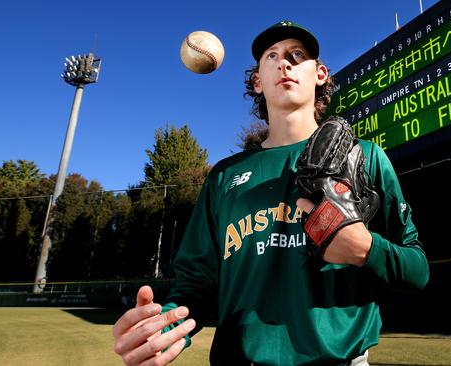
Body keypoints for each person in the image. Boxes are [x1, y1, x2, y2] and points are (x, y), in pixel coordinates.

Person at [113, 20, 429, 365]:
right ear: (257, 81)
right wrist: (167, 327)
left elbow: (417, 270)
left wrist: (368, 249)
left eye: (297, 55)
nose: (285, 63)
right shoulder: (225, 176)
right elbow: (197, 285)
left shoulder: (365, 157)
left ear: (320, 73)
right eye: (272, 56)